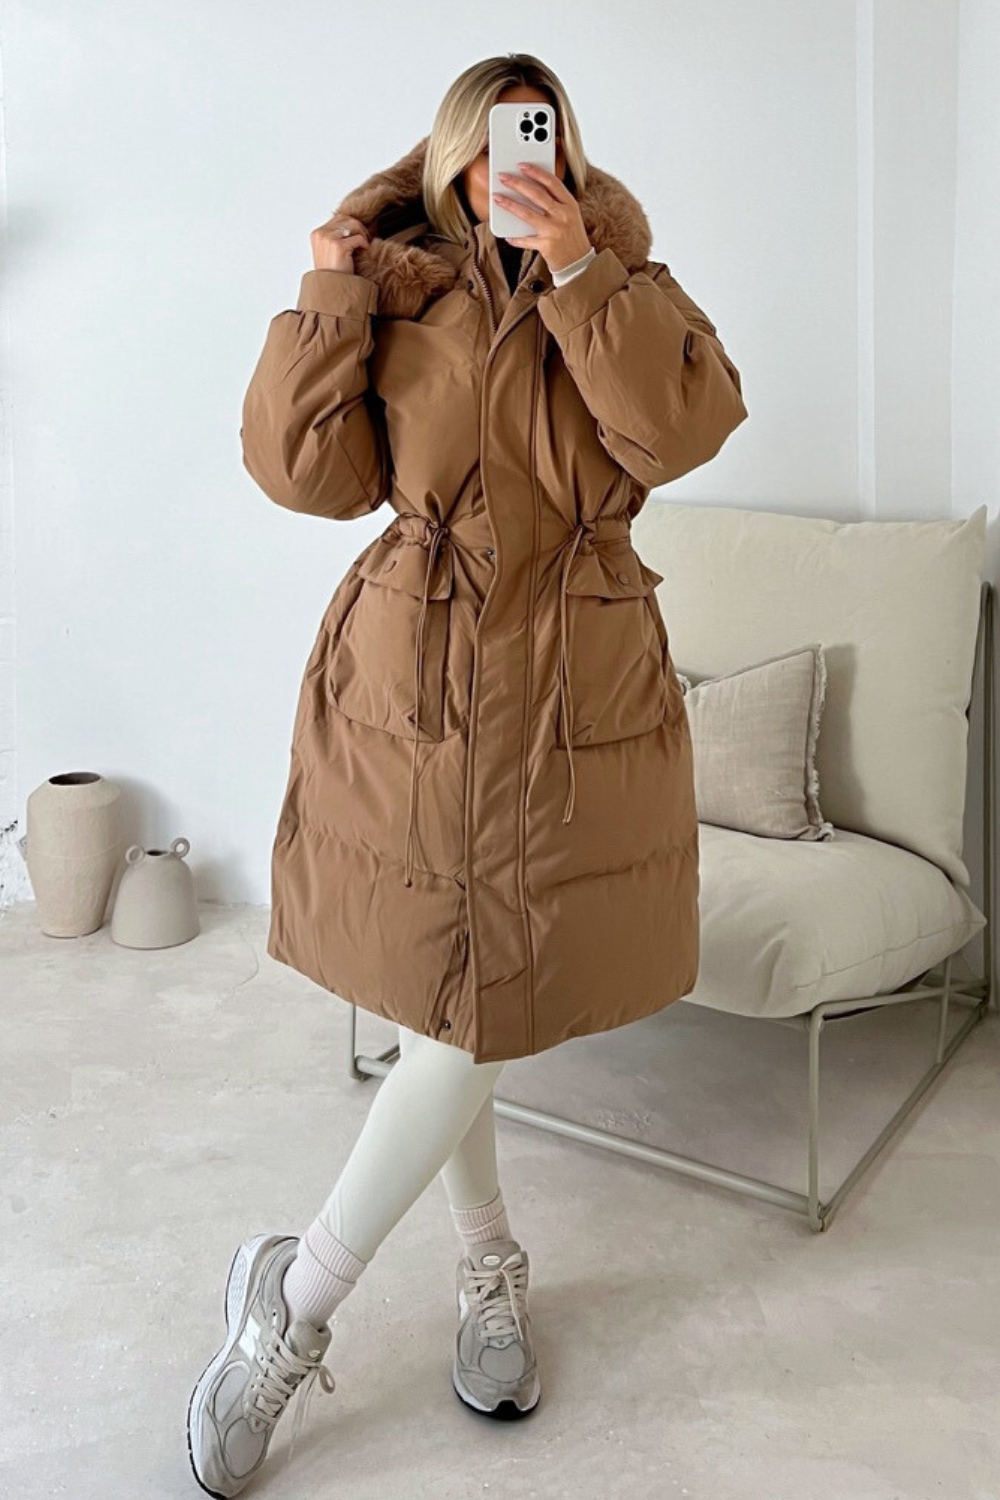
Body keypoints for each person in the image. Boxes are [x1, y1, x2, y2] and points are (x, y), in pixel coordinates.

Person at [187, 51, 746, 1499]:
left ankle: (297, 1298)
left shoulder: (621, 274)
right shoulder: (393, 288)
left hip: (572, 680)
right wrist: (328, 299)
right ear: (450, 152)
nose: (516, 160)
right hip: (417, 682)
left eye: (536, 135)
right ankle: (483, 1263)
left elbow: (681, 430)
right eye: (493, 139)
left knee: (484, 994)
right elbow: (304, 476)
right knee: (457, 994)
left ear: (565, 148)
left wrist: (582, 277)